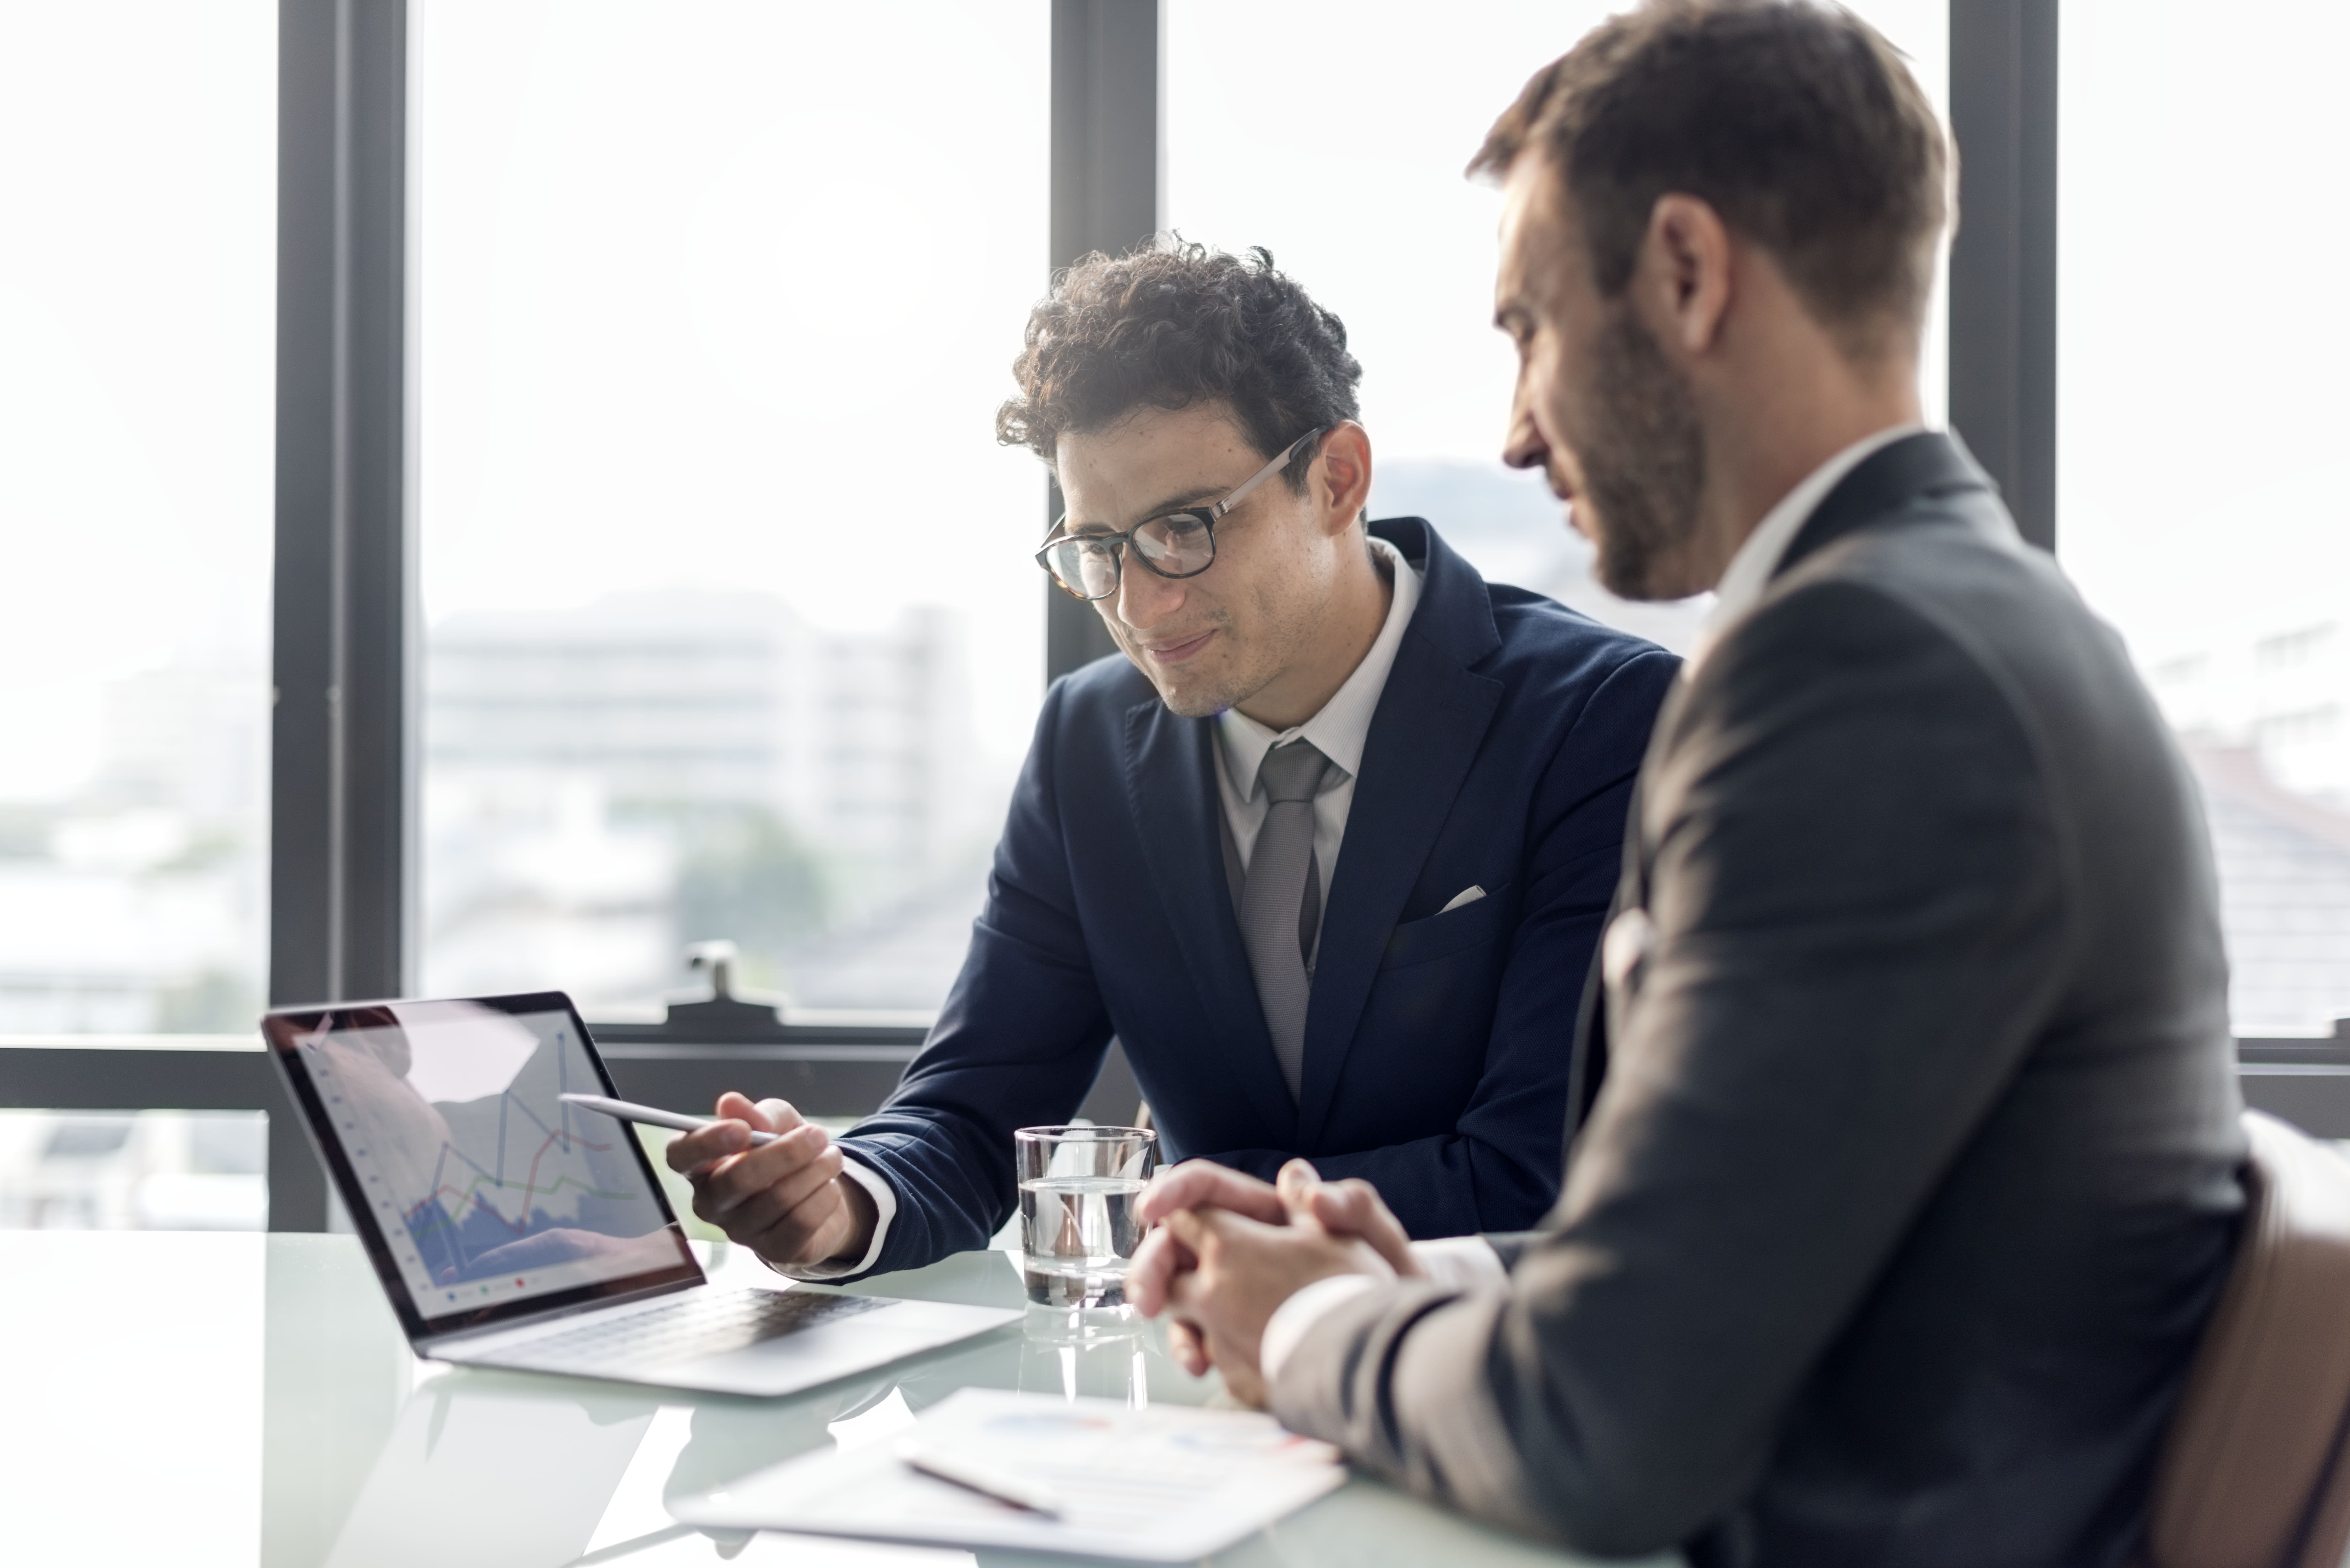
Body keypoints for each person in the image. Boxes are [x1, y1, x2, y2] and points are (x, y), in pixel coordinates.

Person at [1128, 5, 2247, 1564]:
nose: (1515, 432)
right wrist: (1435, 1281)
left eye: (1526, 328)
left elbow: (1608, 1428)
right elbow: (1758, 1250)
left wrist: (1308, 1328)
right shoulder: (1968, 618)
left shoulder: (1862, 677)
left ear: (1685, 272)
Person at [664, 241, 1679, 1281]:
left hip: (1483, 1379)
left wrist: (1180, 1210)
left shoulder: (1602, 723)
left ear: (1336, 478)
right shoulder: (1087, 744)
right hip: (1190, 1389)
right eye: (1098, 549)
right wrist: (839, 1201)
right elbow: (972, 1108)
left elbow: (1539, 1176)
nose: (1143, 606)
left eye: (1185, 529)